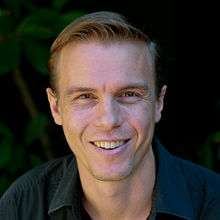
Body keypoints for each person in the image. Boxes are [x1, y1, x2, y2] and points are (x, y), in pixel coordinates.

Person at [0, 11, 220, 220]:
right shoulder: (21, 206)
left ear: (158, 103)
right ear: (56, 108)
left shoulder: (213, 203)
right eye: (85, 96)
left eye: (129, 94)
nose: (109, 120)